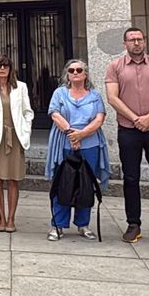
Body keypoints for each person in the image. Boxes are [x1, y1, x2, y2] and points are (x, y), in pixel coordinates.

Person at [105, 27, 149, 247]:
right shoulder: (115, 67)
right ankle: (133, 224)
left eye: (139, 39)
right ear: (124, 43)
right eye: (132, 39)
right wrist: (136, 118)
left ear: (145, 42)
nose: (136, 43)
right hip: (128, 129)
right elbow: (112, 97)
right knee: (131, 178)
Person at [46, 58, 108, 241]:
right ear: (67, 74)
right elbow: (54, 113)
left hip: (90, 144)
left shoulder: (95, 95)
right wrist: (71, 133)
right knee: (62, 184)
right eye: (71, 70)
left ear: (85, 74)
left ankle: (83, 224)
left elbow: (99, 118)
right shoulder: (59, 93)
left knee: (86, 185)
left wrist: (81, 135)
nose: (75, 73)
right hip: (64, 143)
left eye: (79, 70)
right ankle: (58, 225)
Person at [0, 55, 34, 233]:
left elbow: (28, 112)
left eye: (6, 66)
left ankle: (11, 218)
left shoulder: (21, 87)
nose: (2, 69)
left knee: (13, 179)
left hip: (15, 138)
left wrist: (25, 129)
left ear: (11, 69)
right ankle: (1, 218)